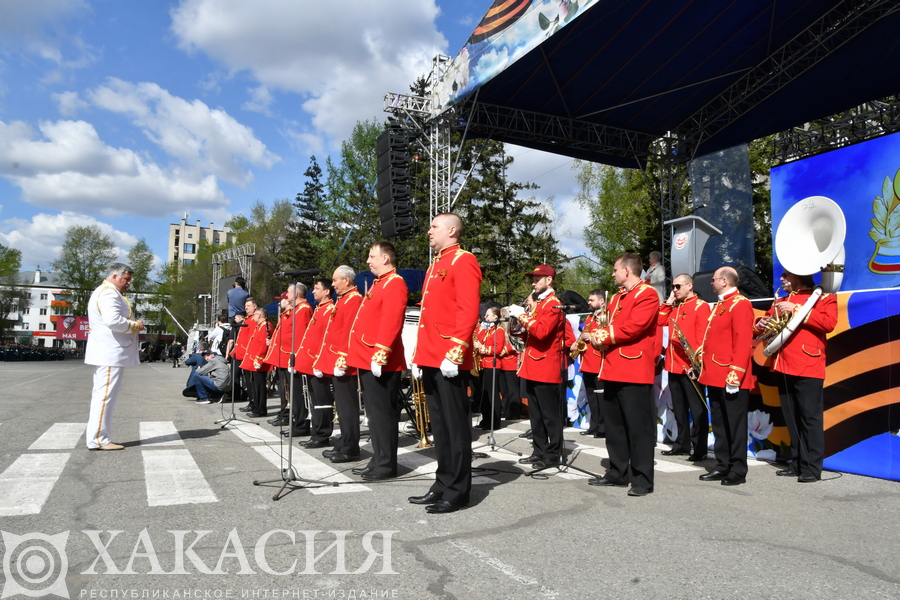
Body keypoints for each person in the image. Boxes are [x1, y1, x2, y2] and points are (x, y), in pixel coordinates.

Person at [407, 213, 482, 514]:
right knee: (439, 426)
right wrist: (419, 356)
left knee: (455, 427)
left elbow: (467, 309)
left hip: (449, 357)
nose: (429, 231)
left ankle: (459, 491)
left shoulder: (463, 260)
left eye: (434, 226)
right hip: (431, 356)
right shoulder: (437, 263)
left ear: (451, 231)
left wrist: (456, 350)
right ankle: (443, 482)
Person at [587, 252, 659, 497]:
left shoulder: (647, 294)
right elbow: (609, 323)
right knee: (615, 426)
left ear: (627, 270)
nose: (613, 273)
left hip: (634, 370)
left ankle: (642, 479)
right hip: (612, 368)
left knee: (638, 428)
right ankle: (616, 472)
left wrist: (601, 336)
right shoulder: (617, 297)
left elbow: (633, 327)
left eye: (615, 269)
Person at [754, 270, 837, 482]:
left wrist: (797, 309)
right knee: (791, 418)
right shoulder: (781, 300)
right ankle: (798, 462)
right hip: (782, 364)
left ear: (799, 276)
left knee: (810, 419)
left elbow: (828, 324)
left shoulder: (824, 298)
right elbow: (765, 325)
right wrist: (760, 325)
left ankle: (812, 467)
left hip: (808, 365)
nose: (782, 279)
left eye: (786, 275)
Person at [347, 241, 408, 480]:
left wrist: (380, 354)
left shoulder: (395, 283)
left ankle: (386, 464)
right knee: (374, 415)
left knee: (383, 415)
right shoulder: (379, 283)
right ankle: (378, 458)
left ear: (385, 258)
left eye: (372, 256)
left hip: (381, 360)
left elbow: (391, 321)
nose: (368, 261)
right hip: (368, 357)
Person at [697, 266, 755, 486]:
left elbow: (742, 342)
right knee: (720, 424)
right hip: (714, 373)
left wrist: (736, 374)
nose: (711, 283)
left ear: (724, 281)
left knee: (735, 425)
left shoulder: (741, 304)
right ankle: (723, 464)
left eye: (713, 280)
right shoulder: (721, 305)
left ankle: (737, 469)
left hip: (730, 375)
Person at [508, 265, 566, 469]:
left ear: (549, 280)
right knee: (536, 414)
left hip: (546, 366)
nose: (533, 283)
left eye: (537, 279)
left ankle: (553, 453)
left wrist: (522, 316)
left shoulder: (553, 304)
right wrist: (518, 320)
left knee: (550, 415)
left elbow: (541, 332)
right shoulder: (539, 303)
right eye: (533, 279)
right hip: (533, 364)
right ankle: (539, 450)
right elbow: (526, 334)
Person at [84, 263, 144, 451]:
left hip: (107, 352)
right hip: (109, 352)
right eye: (126, 279)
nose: (128, 283)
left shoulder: (106, 291)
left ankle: (98, 437)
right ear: (115, 276)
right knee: (105, 397)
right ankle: (99, 439)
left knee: (103, 396)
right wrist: (135, 325)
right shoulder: (109, 293)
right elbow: (113, 321)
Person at [658, 274, 711, 460]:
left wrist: (697, 365)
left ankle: (700, 448)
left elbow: (701, 338)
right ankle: (681, 443)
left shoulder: (700, 306)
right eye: (673, 286)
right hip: (673, 365)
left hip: (690, 365)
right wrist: (669, 301)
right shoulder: (676, 307)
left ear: (690, 286)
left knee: (697, 410)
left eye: (678, 286)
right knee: (679, 408)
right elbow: (660, 321)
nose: (675, 289)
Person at [316, 266, 363, 464]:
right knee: (341, 407)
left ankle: (351, 446)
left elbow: (349, 332)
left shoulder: (353, 300)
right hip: (336, 360)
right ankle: (344, 441)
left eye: (335, 280)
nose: (333, 284)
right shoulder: (344, 299)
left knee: (348, 407)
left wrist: (343, 359)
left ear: (346, 280)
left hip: (344, 362)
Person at [295, 278, 336, 444]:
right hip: (312, 363)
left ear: (326, 291)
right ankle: (317, 432)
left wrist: (321, 361)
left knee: (322, 401)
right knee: (315, 400)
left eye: (317, 288)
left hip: (320, 364)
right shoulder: (320, 310)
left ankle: (322, 434)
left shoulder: (330, 309)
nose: (313, 291)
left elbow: (328, 339)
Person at [264, 287, 312, 428]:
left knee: (296, 394)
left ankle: (300, 424)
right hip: (284, 356)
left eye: (289, 293)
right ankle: (295, 422)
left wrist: (295, 358)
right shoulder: (294, 311)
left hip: (291, 357)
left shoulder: (302, 309)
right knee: (289, 393)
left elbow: (300, 335)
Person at [575, 289, 607, 439]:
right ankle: (594, 425)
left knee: (601, 398)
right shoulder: (590, 318)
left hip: (598, 362)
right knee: (591, 398)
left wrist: (592, 335)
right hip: (587, 362)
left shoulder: (605, 317)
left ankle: (602, 427)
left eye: (591, 300)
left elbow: (607, 334)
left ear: (601, 301)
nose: (588, 302)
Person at [473, 306, 507, 430]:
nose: (485, 317)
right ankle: (486, 419)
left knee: (492, 394)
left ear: (495, 317)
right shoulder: (488, 330)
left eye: (488, 315)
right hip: (483, 364)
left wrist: (481, 348)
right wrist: (481, 328)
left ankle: (494, 422)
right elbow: (479, 338)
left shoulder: (499, 331)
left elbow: (497, 350)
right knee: (485, 394)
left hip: (492, 364)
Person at [241, 305, 274, 418]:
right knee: (255, 385)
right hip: (254, 360)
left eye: (255, 314)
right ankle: (257, 407)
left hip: (259, 362)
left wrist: (259, 359)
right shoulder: (259, 326)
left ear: (259, 315)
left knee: (260, 386)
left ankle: (261, 409)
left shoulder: (265, 325)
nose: (253, 316)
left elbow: (263, 345)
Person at [498, 307, 521, 420]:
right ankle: (505, 409)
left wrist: (503, 350)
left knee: (512, 389)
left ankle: (514, 411)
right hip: (502, 362)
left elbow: (515, 345)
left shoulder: (513, 328)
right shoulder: (501, 328)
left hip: (511, 362)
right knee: (504, 390)